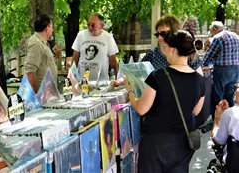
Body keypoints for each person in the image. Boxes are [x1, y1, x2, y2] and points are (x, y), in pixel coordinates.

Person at [125, 30, 205, 173]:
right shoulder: (199, 80)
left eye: (166, 47)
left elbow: (141, 108)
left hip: (156, 144)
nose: (164, 51)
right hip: (184, 143)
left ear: (173, 50)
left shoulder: (158, 76)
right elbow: (196, 110)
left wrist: (130, 90)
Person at [202, 21, 239, 111]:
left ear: (215, 29)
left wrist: (203, 64)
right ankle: (230, 119)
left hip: (222, 70)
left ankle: (218, 119)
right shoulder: (234, 35)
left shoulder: (218, 37)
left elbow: (210, 54)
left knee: (218, 95)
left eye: (210, 30)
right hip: (236, 69)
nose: (210, 33)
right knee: (230, 94)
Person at [72, 12, 118, 81]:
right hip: (83, 82)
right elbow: (75, 57)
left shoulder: (108, 37)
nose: (90, 27)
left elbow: (113, 62)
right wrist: (72, 76)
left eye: (93, 25)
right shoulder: (81, 35)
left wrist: (118, 79)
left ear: (101, 26)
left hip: (101, 84)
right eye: (88, 24)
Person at [24, 13, 58, 93]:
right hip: (41, 97)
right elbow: (30, 72)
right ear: (47, 28)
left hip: (47, 95)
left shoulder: (43, 43)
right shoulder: (36, 43)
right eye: (51, 27)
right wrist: (35, 97)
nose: (52, 30)